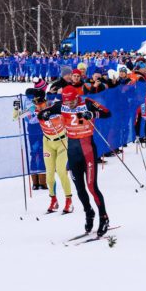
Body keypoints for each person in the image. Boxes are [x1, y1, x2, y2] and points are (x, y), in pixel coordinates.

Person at [37, 86, 111, 236]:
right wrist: (44, 115)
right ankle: (89, 212)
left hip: (88, 150)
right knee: (80, 189)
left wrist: (92, 113)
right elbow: (44, 113)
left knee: (92, 187)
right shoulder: (60, 105)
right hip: (72, 151)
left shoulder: (87, 103)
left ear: (76, 97)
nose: (69, 105)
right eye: (66, 102)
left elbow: (107, 113)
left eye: (71, 102)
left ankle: (104, 217)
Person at [31, 88, 74, 214]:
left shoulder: (52, 104)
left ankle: (68, 200)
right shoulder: (34, 109)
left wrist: (49, 112)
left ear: (44, 100)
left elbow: (62, 104)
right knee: (49, 175)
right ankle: (53, 200)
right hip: (48, 142)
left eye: (39, 103)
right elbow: (17, 117)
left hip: (62, 141)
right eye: (35, 104)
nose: (38, 106)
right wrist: (16, 109)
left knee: (61, 171)